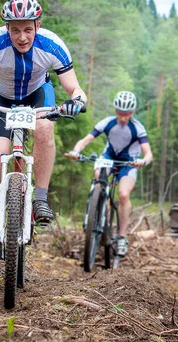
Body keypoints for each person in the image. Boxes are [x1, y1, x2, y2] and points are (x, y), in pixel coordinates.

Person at [0, 0, 87, 264]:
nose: (22, 37)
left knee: (45, 129)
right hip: (1, 97)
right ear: (7, 28)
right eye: (15, 30)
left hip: (38, 95)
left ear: (38, 25)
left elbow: (75, 88)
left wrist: (76, 101)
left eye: (28, 29)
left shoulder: (52, 45)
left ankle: (40, 198)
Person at [66, 91, 153, 257]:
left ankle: (121, 237)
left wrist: (143, 161)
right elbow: (85, 140)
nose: (122, 118)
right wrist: (76, 151)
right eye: (119, 113)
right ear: (115, 111)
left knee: (123, 194)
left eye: (126, 114)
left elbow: (148, 154)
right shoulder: (107, 122)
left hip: (129, 162)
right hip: (108, 157)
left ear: (132, 113)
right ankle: (96, 205)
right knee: (98, 175)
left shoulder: (138, 128)